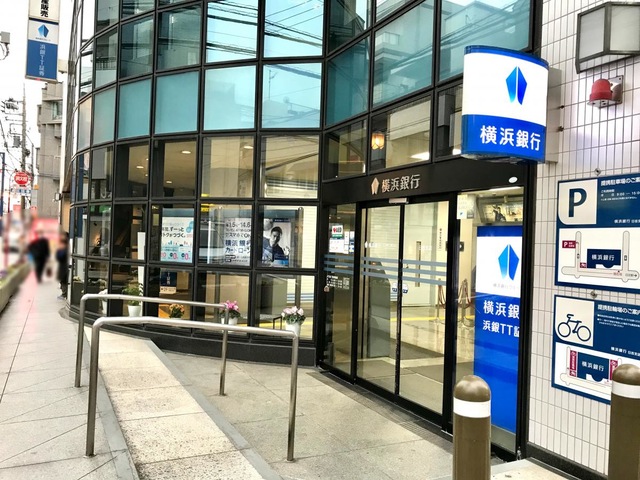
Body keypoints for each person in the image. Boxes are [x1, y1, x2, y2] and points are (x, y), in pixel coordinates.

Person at [56, 232, 69, 299]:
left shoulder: (65, 245)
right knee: (62, 279)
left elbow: (61, 255)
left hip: (64, 264)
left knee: (63, 279)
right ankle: (64, 293)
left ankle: (64, 294)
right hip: (62, 264)